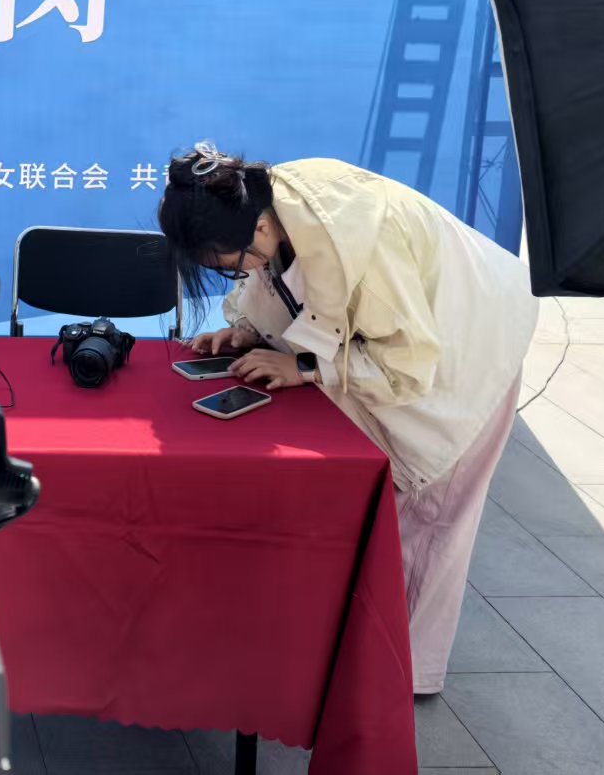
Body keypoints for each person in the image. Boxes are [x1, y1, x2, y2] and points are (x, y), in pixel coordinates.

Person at [157, 142, 536, 696]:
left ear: (258, 229)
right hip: (409, 338)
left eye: (228, 264)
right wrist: (245, 330)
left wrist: (303, 366)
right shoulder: (269, 205)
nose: (233, 274)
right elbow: (278, 279)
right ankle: (355, 645)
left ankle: (400, 679)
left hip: (467, 346)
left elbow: (405, 364)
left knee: (429, 517)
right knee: (379, 514)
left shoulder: (359, 239)